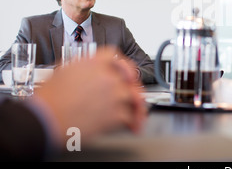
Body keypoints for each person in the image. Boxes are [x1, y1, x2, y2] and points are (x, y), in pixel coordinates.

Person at [0, 0, 155, 84]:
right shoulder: (34, 28)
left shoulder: (115, 27)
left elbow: (151, 69)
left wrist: (126, 72)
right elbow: (4, 67)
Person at [0, 47, 146, 161]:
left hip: (108, 135)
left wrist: (128, 75)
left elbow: (149, 66)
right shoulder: (33, 25)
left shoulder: (116, 26)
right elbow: (4, 64)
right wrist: (56, 81)